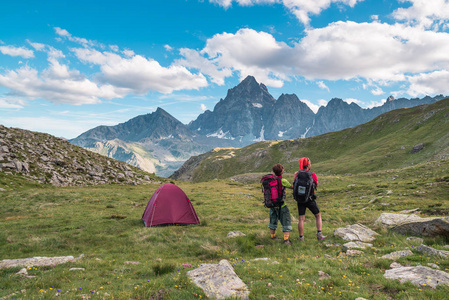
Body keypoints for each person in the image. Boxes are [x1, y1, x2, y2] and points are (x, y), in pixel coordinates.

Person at [294, 157, 325, 241]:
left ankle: (301, 237)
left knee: (301, 219)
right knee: (318, 215)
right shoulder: (312, 174)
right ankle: (319, 234)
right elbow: (316, 184)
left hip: (300, 199)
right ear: (308, 165)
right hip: (310, 199)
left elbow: (294, 185)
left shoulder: (297, 174)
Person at [268, 163, 294, 245]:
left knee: (273, 221)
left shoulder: (271, 180)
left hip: (272, 204)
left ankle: (273, 237)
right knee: (286, 221)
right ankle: (286, 240)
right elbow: (292, 187)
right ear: (282, 171)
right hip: (282, 205)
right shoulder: (283, 180)